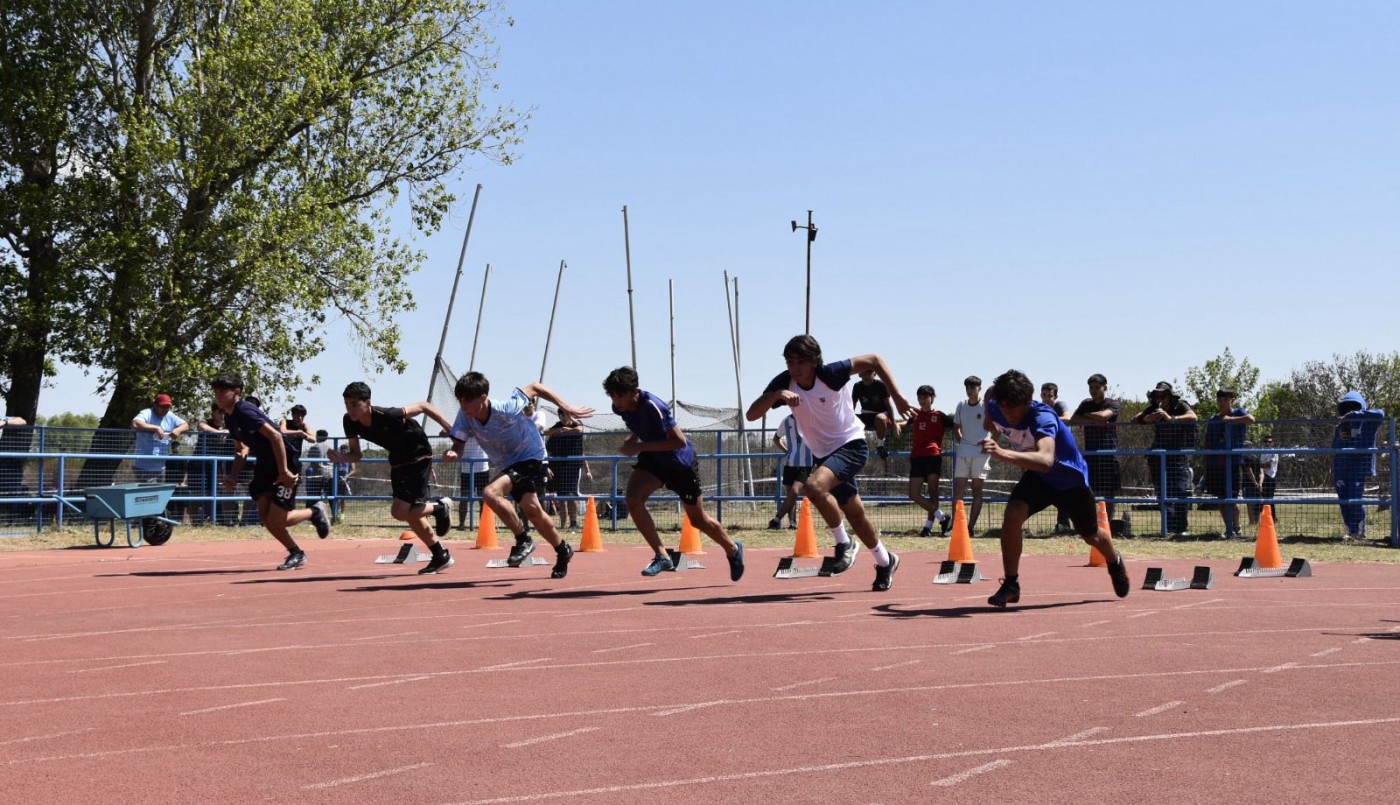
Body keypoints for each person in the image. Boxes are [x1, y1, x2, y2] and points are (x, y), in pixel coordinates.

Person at [745, 336, 908, 592]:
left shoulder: (832, 373)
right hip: (823, 454)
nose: (794, 367)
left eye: (800, 362)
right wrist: (777, 395)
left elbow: (874, 359)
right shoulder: (784, 382)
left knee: (813, 486)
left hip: (851, 444)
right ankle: (886, 561)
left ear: (814, 362)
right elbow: (752, 414)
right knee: (855, 513)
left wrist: (896, 398)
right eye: (789, 361)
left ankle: (844, 544)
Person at [979, 370, 1131, 608]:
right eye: (1003, 407)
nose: (1007, 414)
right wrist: (991, 416)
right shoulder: (996, 404)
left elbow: (1046, 459)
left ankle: (1114, 560)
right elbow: (989, 407)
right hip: (1039, 478)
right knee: (1012, 515)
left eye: (1013, 409)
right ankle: (1011, 584)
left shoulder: (1043, 418)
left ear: (1028, 402)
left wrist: (1002, 452)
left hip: (1069, 480)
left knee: (1091, 536)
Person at [444, 372, 594, 579]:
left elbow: (535, 386)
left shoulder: (507, 408)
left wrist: (566, 406)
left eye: (468, 400)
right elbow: (458, 445)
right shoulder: (465, 416)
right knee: (533, 511)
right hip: (508, 463)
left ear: (483, 397)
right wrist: (454, 452)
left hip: (531, 455)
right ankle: (563, 550)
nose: (463, 405)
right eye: (460, 400)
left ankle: (523, 539)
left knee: (491, 493)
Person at [604, 366, 745, 581]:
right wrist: (633, 440)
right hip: (654, 460)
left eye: (620, 395)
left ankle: (733, 549)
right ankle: (661, 556)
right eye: (612, 396)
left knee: (698, 520)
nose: (616, 401)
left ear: (635, 391)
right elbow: (641, 425)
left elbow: (678, 441)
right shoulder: (620, 407)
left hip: (680, 463)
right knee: (632, 499)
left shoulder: (653, 405)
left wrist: (639, 447)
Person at [330, 382, 457, 574]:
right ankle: (440, 554)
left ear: (368, 403)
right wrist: (342, 458)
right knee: (409, 511)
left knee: (399, 511)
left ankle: (440, 508)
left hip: (418, 454)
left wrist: (450, 429)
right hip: (397, 460)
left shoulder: (388, 415)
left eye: (355, 404)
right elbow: (357, 455)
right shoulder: (349, 421)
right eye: (347, 404)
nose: (350, 409)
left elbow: (424, 406)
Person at [211, 372, 330, 569]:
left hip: (284, 462)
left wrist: (283, 470)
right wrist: (232, 477)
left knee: (276, 520)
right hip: (264, 465)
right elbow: (241, 450)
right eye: (216, 391)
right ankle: (296, 552)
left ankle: (312, 512)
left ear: (237, 392)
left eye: (223, 391)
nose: (218, 395)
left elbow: (276, 436)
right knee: (266, 518)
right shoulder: (230, 419)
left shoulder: (245, 411)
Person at [1133, 381, 1197, 537]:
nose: (1160, 399)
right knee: (1163, 493)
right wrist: (1148, 418)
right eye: (1157, 396)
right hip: (1158, 457)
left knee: (1181, 492)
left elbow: (1193, 417)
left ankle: (1181, 529)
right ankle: (1169, 528)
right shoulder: (1155, 408)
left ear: (1170, 396)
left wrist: (1171, 418)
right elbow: (1136, 418)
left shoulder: (1180, 405)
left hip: (1178, 456)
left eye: (1163, 395)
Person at [1069, 374, 1122, 523]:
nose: (1093, 390)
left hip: (1108, 453)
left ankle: (1108, 525)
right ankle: (1090, 524)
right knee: (1088, 491)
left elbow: (1105, 416)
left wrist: (1088, 416)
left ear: (1105, 387)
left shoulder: (1113, 403)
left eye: (1097, 387)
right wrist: (1094, 418)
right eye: (1091, 387)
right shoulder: (1086, 403)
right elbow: (1074, 419)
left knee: (1109, 493)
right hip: (1090, 454)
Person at [1203, 388, 1256, 538]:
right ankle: (1228, 529)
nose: (1222, 403)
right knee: (1221, 498)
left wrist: (1230, 421)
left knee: (1232, 499)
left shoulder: (1238, 412)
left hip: (1232, 462)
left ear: (1232, 400)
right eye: (1219, 400)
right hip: (1215, 463)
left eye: (1225, 400)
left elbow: (1251, 419)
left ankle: (1236, 528)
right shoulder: (1213, 419)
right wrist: (1206, 465)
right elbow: (1207, 443)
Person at [1332, 391, 1386, 539]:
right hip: (1341, 468)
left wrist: (1353, 415)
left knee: (1355, 499)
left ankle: (1360, 532)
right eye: (1347, 408)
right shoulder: (1341, 425)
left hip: (1358, 468)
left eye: (1353, 406)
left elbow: (1381, 414)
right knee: (1344, 501)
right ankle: (1351, 531)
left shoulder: (1369, 422)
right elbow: (1334, 448)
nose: (1349, 410)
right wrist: (1341, 439)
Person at [905, 385, 954, 537]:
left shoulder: (939, 415)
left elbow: (957, 425)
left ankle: (928, 527)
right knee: (914, 493)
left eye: (925, 397)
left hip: (933, 455)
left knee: (933, 492)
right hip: (917, 457)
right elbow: (903, 424)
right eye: (920, 397)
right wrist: (894, 425)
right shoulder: (915, 414)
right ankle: (943, 517)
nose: (922, 400)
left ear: (932, 398)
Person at [951, 376, 990, 534]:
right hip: (964, 451)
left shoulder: (986, 406)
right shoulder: (961, 405)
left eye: (973, 387)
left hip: (981, 453)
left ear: (979, 388)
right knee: (958, 488)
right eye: (968, 387)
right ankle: (956, 527)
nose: (970, 390)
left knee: (977, 489)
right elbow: (956, 426)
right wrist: (963, 442)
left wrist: (989, 444)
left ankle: (970, 527)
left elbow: (997, 428)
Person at [544, 412, 593, 530]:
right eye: (561, 415)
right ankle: (563, 525)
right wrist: (560, 429)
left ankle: (573, 523)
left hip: (573, 467)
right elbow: (546, 432)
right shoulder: (557, 426)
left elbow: (579, 430)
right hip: (558, 467)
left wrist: (587, 470)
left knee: (572, 495)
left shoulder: (577, 425)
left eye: (566, 415)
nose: (564, 418)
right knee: (561, 498)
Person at [131, 393, 190, 484]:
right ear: (155, 405)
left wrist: (178, 430)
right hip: (143, 466)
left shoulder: (170, 416)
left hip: (161, 467)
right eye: (162, 406)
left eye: (167, 407)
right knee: (152, 494)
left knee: (158, 495)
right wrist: (156, 428)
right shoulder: (147, 413)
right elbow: (135, 423)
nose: (165, 409)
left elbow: (185, 425)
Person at [768, 412, 812, 529]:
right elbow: (776, 438)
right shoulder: (786, 421)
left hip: (806, 464)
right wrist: (787, 451)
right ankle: (792, 523)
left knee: (794, 491)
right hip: (790, 463)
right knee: (790, 495)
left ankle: (776, 519)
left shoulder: (810, 418)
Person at [1040, 382, 1074, 533]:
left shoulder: (1059, 406)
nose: (1047, 399)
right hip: (1048, 454)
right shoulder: (1039, 408)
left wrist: (1050, 420)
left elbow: (1068, 418)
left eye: (1050, 396)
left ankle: (1065, 523)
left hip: (1063, 454)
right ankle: (1063, 522)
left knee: (1064, 488)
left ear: (1056, 396)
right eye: (1044, 395)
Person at [852, 369, 900, 459]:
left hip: (881, 415)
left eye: (869, 372)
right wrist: (848, 419)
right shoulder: (857, 386)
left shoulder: (881, 385)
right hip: (866, 415)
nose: (866, 375)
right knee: (848, 419)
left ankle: (880, 445)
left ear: (875, 374)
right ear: (859, 374)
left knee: (880, 417)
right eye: (864, 372)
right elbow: (852, 405)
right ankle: (853, 446)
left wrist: (894, 423)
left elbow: (888, 405)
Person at [455, 434, 490, 529]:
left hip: (482, 468)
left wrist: (468, 433)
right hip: (466, 469)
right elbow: (444, 432)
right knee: (464, 498)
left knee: (483, 499)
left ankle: (484, 524)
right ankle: (461, 524)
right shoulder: (462, 425)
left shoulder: (481, 425)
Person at [304, 429, 331, 500]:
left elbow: (311, 460)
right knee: (330, 496)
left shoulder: (315, 447)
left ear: (319, 436)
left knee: (313, 496)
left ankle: (313, 510)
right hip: (329, 474)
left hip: (317, 474)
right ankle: (335, 510)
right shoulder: (330, 447)